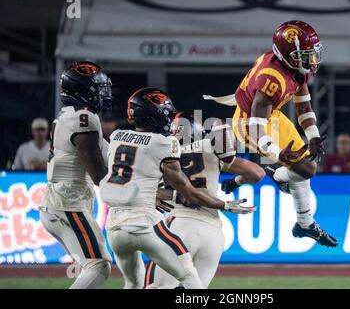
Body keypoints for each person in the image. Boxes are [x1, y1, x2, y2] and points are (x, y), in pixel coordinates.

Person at [100, 88, 255, 289]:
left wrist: (154, 194)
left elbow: (117, 174)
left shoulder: (117, 136)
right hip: (161, 226)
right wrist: (226, 201)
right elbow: (189, 191)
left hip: (116, 227)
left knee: (134, 284)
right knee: (190, 283)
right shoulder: (167, 144)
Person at [204, 20, 337, 247]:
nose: (311, 60)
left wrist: (313, 135)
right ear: (288, 55)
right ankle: (280, 181)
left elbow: (303, 105)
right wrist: (278, 154)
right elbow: (255, 128)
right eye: (304, 55)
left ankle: (304, 223)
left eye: (311, 53)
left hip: (272, 117)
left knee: (305, 168)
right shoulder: (271, 79)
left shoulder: (294, 68)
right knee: (305, 168)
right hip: (249, 123)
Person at [145, 111, 265, 289]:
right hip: (213, 233)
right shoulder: (211, 148)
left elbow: (147, 189)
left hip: (180, 226)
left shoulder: (163, 152)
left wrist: (154, 195)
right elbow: (257, 173)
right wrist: (235, 181)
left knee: (156, 286)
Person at [39, 61, 113, 289]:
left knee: (87, 268)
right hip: (68, 205)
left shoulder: (70, 115)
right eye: (97, 88)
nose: (102, 93)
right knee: (99, 266)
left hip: (58, 204)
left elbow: (109, 152)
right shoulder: (84, 119)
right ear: (84, 89)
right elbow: (99, 174)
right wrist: (136, 195)